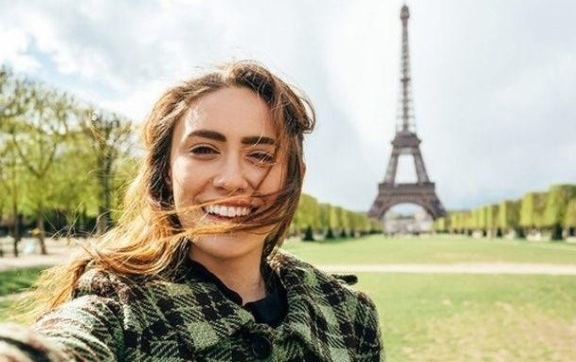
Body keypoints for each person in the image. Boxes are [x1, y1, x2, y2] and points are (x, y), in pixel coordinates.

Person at [0, 61, 384, 361]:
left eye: (261, 155)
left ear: (294, 176)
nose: (232, 179)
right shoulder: (118, 314)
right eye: (203, 149)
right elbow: (67, 342)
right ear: (165, 172)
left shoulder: (351, 315)